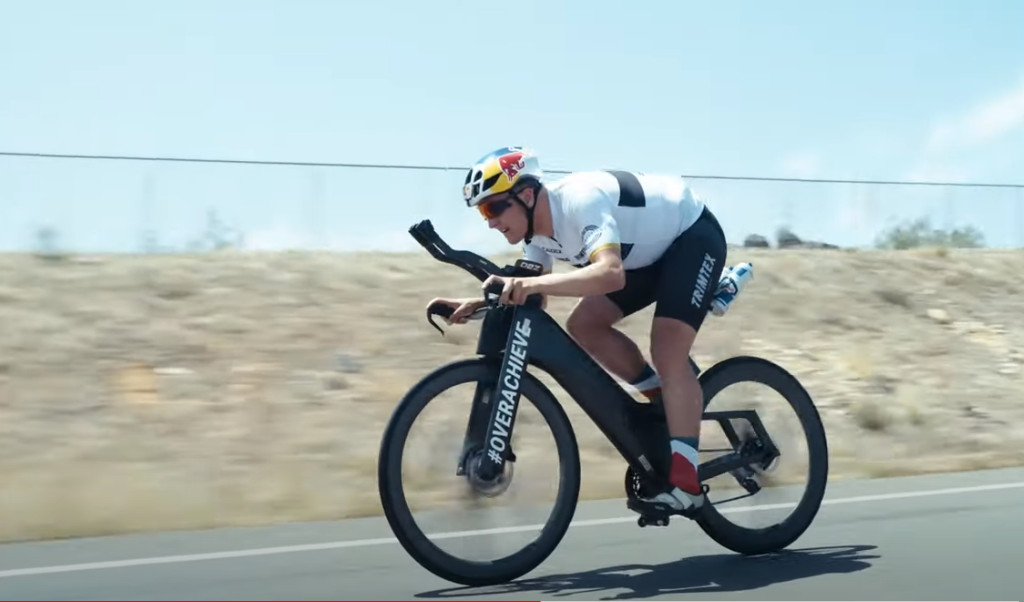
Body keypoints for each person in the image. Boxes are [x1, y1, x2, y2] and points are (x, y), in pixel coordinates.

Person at [428, 146, 728, 514]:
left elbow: (610, 274)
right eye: (482, 212)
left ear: (525, 194)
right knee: (584, 325)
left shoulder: (579, 202)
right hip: (645, 255)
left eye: (493, 208)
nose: (489, 222)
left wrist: (532, 287)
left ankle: (687, 485)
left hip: (691, 237)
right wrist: (477, 303)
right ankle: (662, 402)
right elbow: (528, 289)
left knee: (668, 350)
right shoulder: (536, 237)